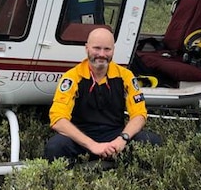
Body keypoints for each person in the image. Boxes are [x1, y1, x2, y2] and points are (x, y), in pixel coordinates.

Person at [44, 26, 162, 164]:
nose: (101, 54)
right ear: (86, 48)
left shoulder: (125, 76)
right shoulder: (72, 77)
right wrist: (93, 145)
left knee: (152, 141)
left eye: (107, 49)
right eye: (96, 48)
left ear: (113, 50)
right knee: (55, 147)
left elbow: (139, 115)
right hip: (81, 138)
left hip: (115, 137)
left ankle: (125, 174)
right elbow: (57, 119)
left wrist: (122, 139)